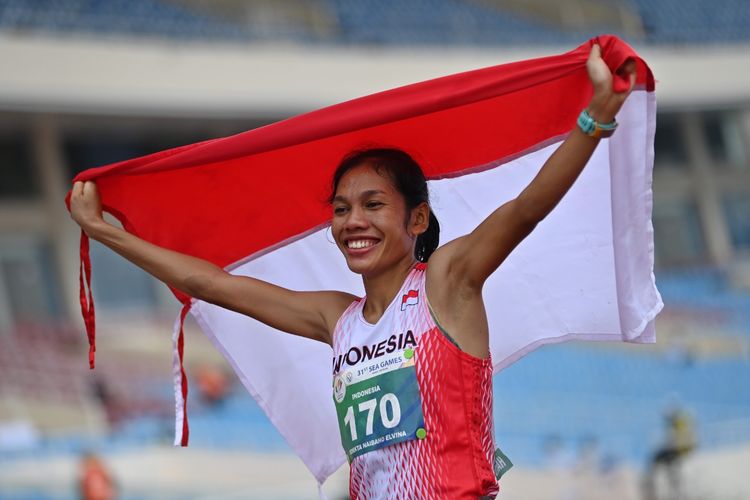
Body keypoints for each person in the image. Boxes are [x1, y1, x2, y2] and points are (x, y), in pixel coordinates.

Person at [69, 45, 635, 499]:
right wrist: (106, 232)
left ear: (417, 217)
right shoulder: (335, 317)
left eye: (372, 205)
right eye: (340, 209)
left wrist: (595, 118)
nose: (352, 222)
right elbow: (212, 284)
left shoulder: (447, 282)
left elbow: (524, 210)